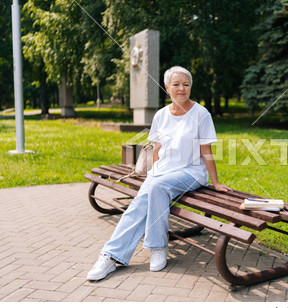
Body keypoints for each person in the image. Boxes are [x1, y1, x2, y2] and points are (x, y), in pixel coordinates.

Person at [87, 66, 232, 281]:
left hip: (190, 172)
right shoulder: (161, 115)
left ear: (190, 87)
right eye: (176, 84)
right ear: (167, 88)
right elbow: (157, 149)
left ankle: (157, 247)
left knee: (156, 187)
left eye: (186, 84)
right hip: (162, 173)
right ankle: (110, 256)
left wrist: (216, 182)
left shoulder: (201, 114)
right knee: (138, 204)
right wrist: (153, 173)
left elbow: (206, 151)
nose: (181, 88)